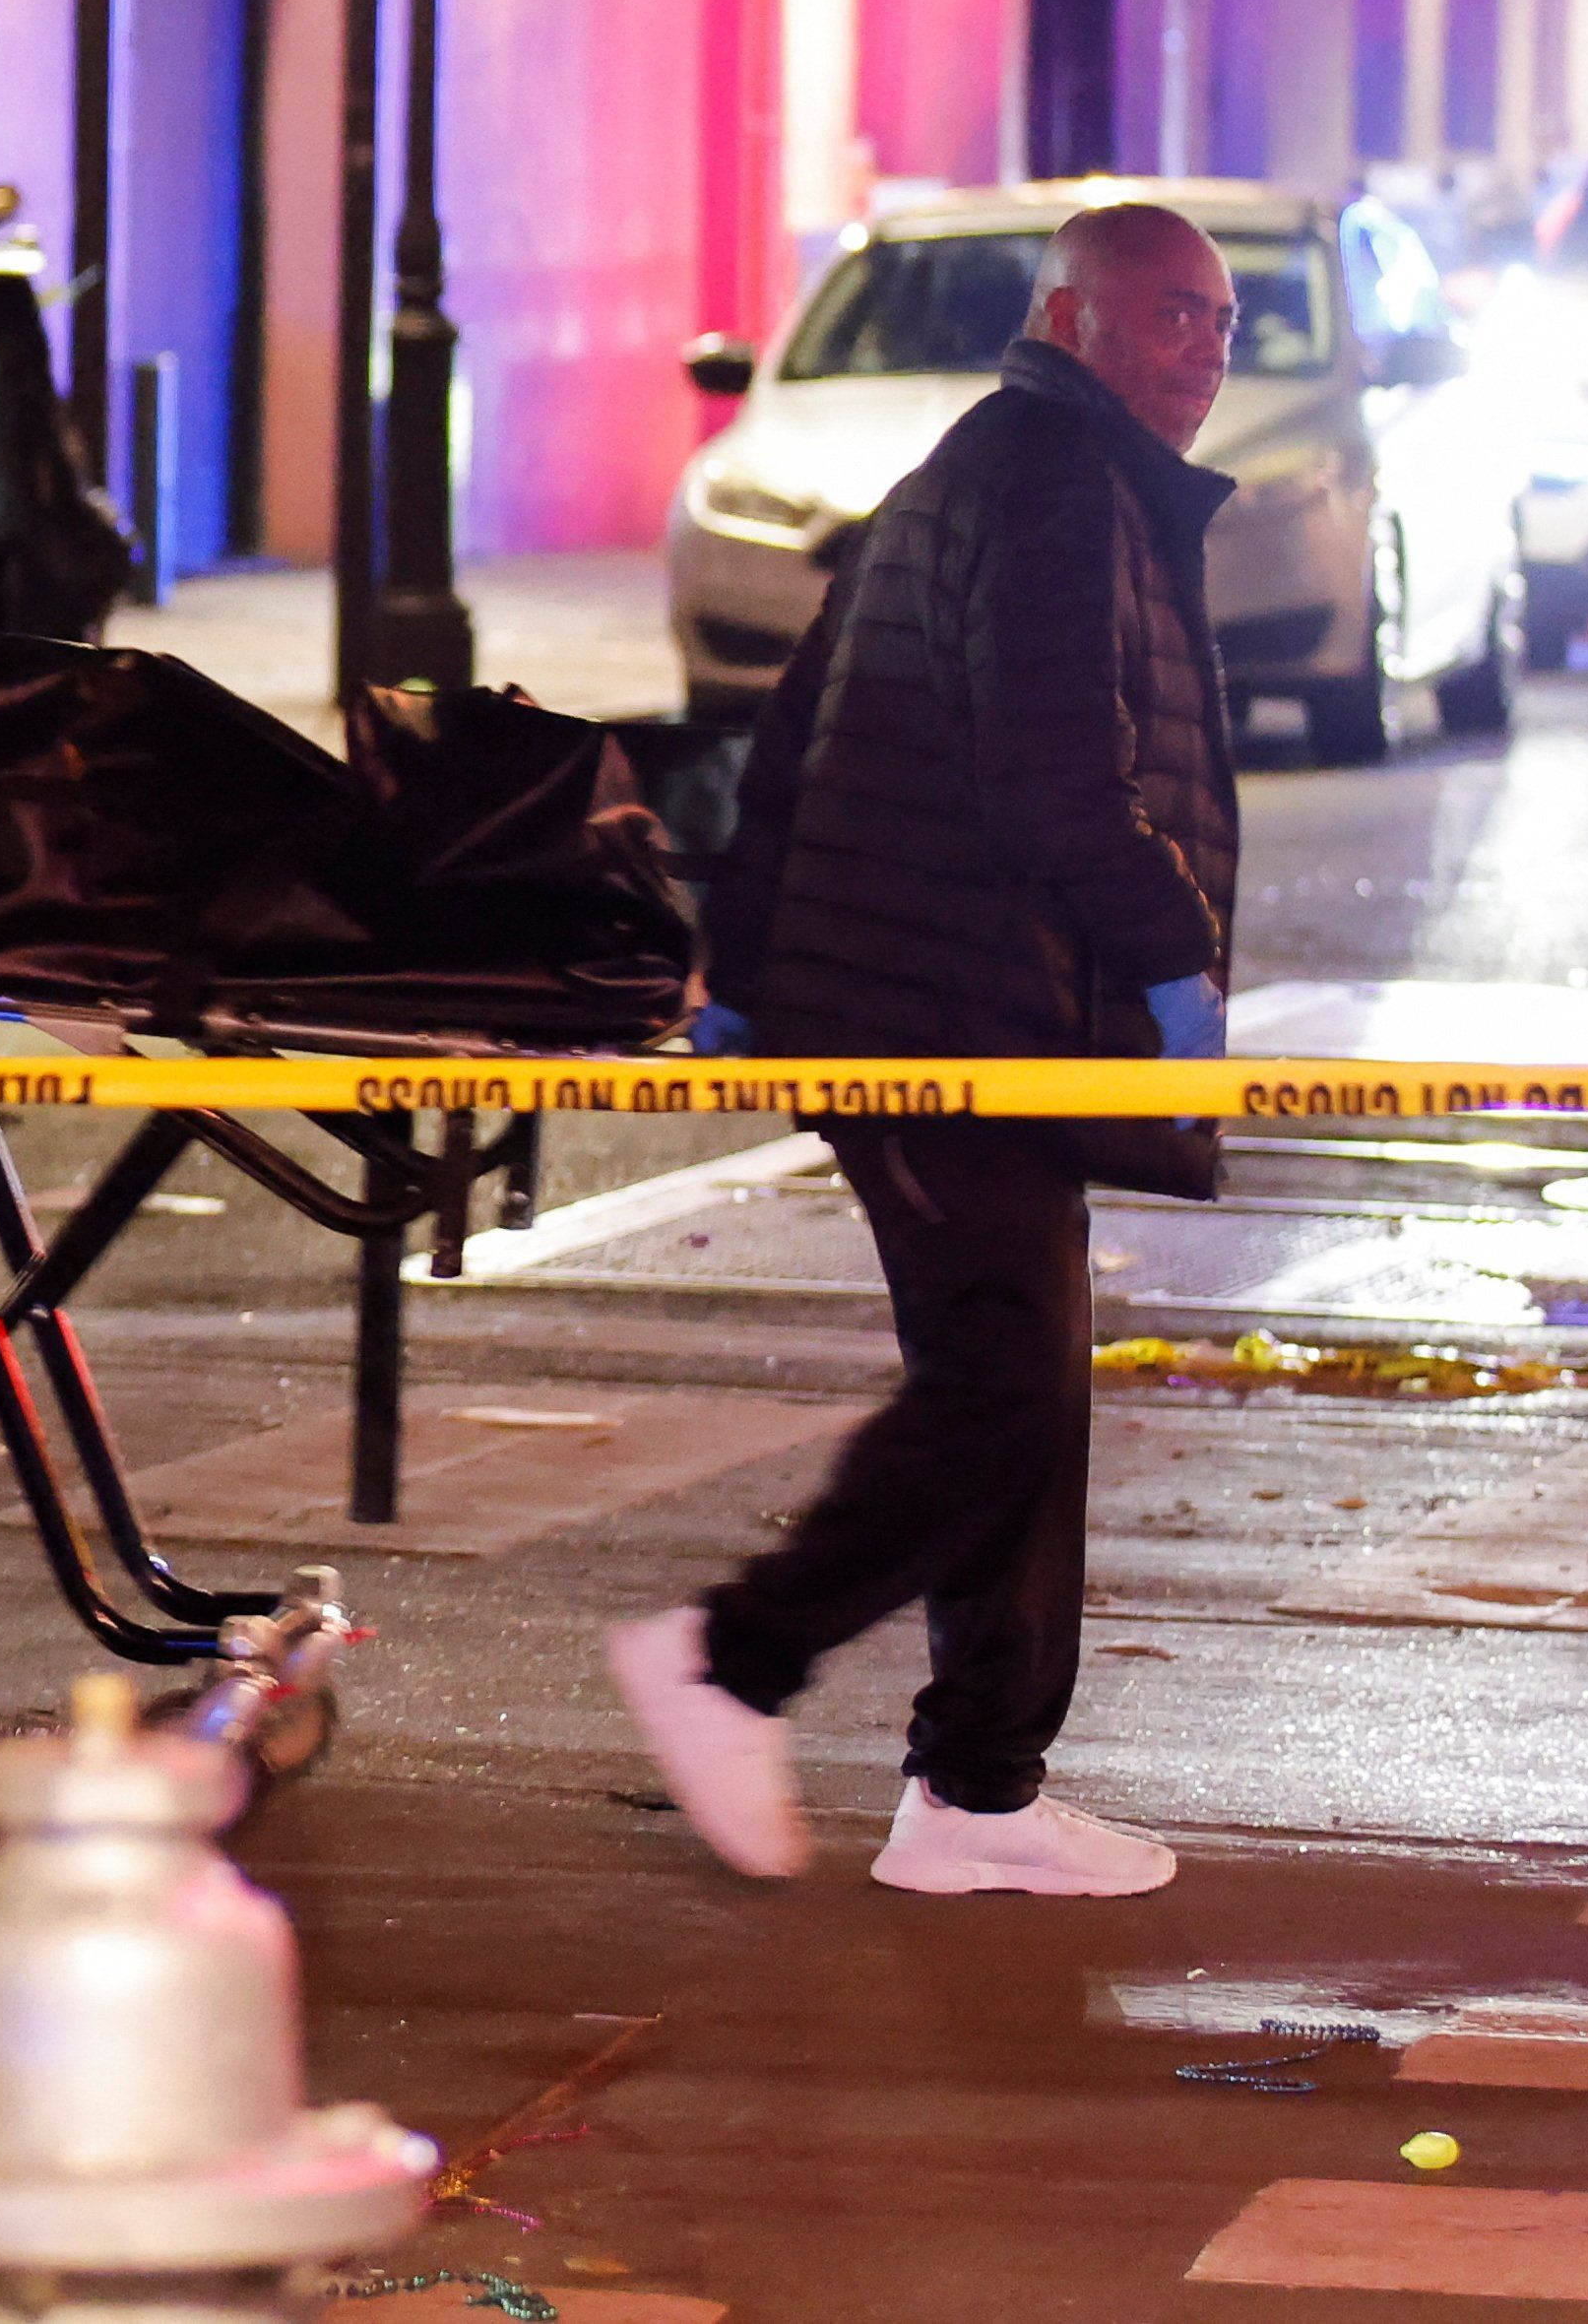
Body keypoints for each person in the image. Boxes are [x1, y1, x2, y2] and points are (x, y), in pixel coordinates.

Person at [615, 200, 1242, 1902]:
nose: (1198, 354)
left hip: (975, 1015)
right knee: (998, 1383)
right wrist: (1175, 957)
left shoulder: (997, 470)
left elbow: (806, 725)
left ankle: (973, 1796)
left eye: (1220, 326)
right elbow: (1058, 777)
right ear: (1070, 318)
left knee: (1023, 1392)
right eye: (1170, 316)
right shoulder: (1046, 481)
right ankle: (733, 1661)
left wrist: (739, 959)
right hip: (932, 1015)